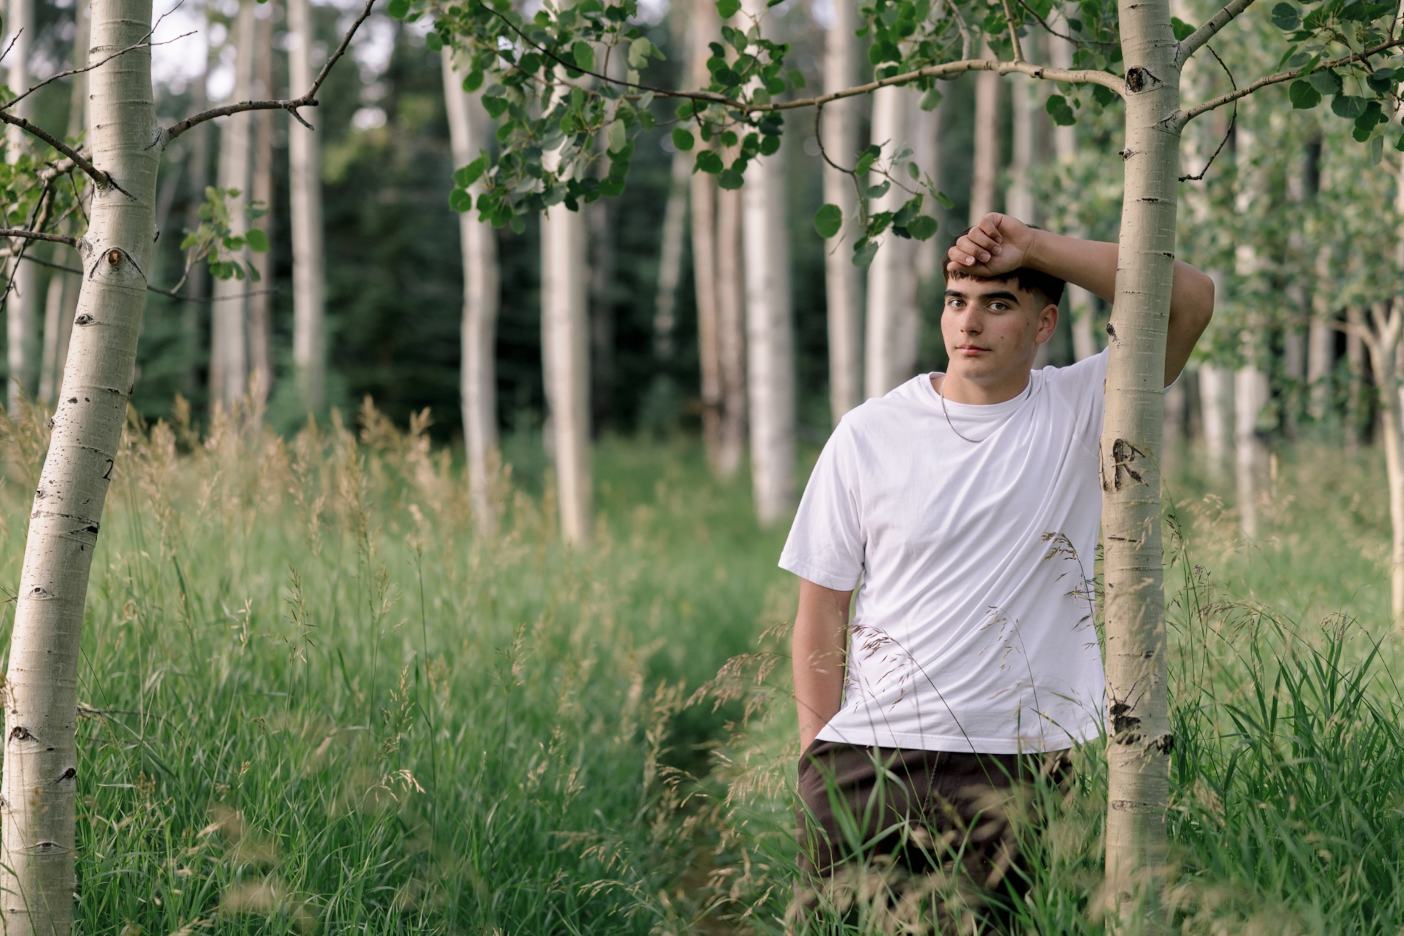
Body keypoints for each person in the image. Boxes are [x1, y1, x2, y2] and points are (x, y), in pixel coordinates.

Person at [781, 212, 1215, 924]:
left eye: (998, 303)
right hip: (868, 761)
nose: (970, 323)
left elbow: (1190, 296)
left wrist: (1036, 246)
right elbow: (820, 609)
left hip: (1020, 766)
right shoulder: (869, 433)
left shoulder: (1085, 407)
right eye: (958, 301)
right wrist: (814, 760)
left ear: (1044, 325)